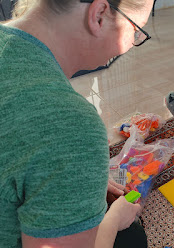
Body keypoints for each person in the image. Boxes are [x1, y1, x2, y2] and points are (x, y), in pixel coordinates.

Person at [0, 0, 153, 247]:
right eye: (136, 29)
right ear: (99, 15)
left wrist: (72, 178)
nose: (132, 44)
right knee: (133, 237)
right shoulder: (70, 125)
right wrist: (114, 219)